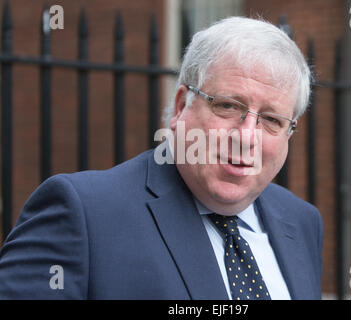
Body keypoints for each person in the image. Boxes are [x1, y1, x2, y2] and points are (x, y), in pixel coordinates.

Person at [0, 16, 323, 300]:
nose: (246, 137)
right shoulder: (84, 214)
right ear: (182, 105)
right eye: (228, 106)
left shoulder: (302, 222)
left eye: (271, 120)